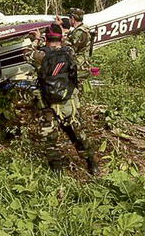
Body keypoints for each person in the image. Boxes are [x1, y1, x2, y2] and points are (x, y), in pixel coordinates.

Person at [30, 23, 99, 175]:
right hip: (68, 101)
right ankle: (92, 164)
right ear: (61, 38)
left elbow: (27, 53)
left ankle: (57, 171)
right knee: (77, 133)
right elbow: (68, 48)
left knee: (50, 138)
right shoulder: (69, 52)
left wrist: (36, 40)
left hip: (48, 103)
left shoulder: (39, 55)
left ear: (46, 38)